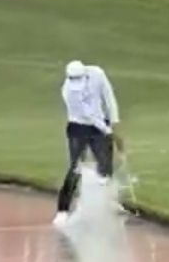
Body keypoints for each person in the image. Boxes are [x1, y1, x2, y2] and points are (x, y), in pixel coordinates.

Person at [54, 59, 125, 227]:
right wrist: (109, 132)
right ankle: (62, 210)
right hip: (78, 127)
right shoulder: (68, 91)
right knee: (75, 168)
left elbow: (108, 96)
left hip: (100, 124)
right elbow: (89, 115)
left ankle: (109, 201)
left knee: (106, 165)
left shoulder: (97, 74)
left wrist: (114, 121)